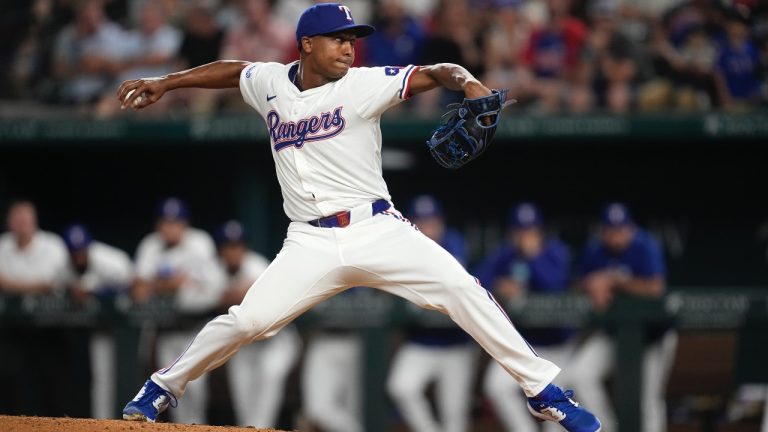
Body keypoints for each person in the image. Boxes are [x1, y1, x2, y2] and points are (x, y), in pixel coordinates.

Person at [118, 4, 601, 431]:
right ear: (307, 44)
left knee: (461, 289)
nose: (350, 48)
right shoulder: (270, 82)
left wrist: (469, 82)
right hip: (310, 242)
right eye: (339, 39)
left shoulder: (364, 84)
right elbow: (234, 70)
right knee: (248, 321)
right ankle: (163, 387)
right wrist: (169, 82)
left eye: (353, 39)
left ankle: (544, 392)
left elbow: (437, 70)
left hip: (376, 229)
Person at [570, 202, 677, 432]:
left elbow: (655, 288)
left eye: (621, 230)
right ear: (604, 231)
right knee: (580, 375)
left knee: (647, 398)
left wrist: (615, 280)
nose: (617, 236)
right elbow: (577, 284)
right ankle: (606, 428)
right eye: (611, 231)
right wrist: (591, 283)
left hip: (652, 335)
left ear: (630, 228)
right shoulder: (596, 249)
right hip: (616, 333)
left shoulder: (644, 245)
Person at [476, 202, 575, 432]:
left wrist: (533, 256)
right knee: (496, 386)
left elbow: (555, 286)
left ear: (540, 231)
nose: (525, 236)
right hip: (524, 347)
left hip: (557, 346)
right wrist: (501, 285)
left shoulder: (555, 252)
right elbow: (477, 279)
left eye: (530, 230)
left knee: (556, 416)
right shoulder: (506, 255)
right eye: (520, 230)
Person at [386, 195, 477, 432]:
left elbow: (451, 277)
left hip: (456, 345)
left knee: (454, 416)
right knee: (401, 387)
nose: (428, 228)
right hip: (421, 343)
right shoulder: (402, 246)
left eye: (432, 222)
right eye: (422, 222)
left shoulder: (453, 241)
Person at [132, 197, 224, 424]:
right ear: (158, 225)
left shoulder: (200, 243)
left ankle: (197, 427)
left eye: (176, 222)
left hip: (194, 328)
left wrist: (165, 285)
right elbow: (139, 291)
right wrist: (170, 284)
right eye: (166, 222)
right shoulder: (150, 245)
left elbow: (215, 289)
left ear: (185, 224)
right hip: (166, 330)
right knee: (170, 388)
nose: (171, 227)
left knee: (197, 389)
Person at [213, 220, 301, 427]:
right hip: (244, 344)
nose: (233, 252)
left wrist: (230, 295)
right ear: (221, 251)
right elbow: (195, 296)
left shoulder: (257, 265)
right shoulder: (213, 270)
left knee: (268, 379)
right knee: (243, 398)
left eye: (237, 246)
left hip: (276, 341)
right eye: (228, 247)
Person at [0, 200, 69, 415]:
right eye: (17, 219)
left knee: (52, 383)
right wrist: (33, 286)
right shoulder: (3, 244)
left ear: (35, 221)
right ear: (9, 222)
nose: (22, 223)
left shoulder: (52, 244)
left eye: (26, 219)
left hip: (49, 326)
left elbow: (50, 283)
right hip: (12, 327)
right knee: (13, 382)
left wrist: (11, 284)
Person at [59, 223, 133, 419]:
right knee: (101, 378)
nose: (79, 256)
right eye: (74, 252)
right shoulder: (63, 266)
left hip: (127, 325)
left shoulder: (111, 261)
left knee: (130, 374)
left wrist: (94, 291)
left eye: (82, 250)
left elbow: (133, 284)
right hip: (102, 327)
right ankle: (102, 423)